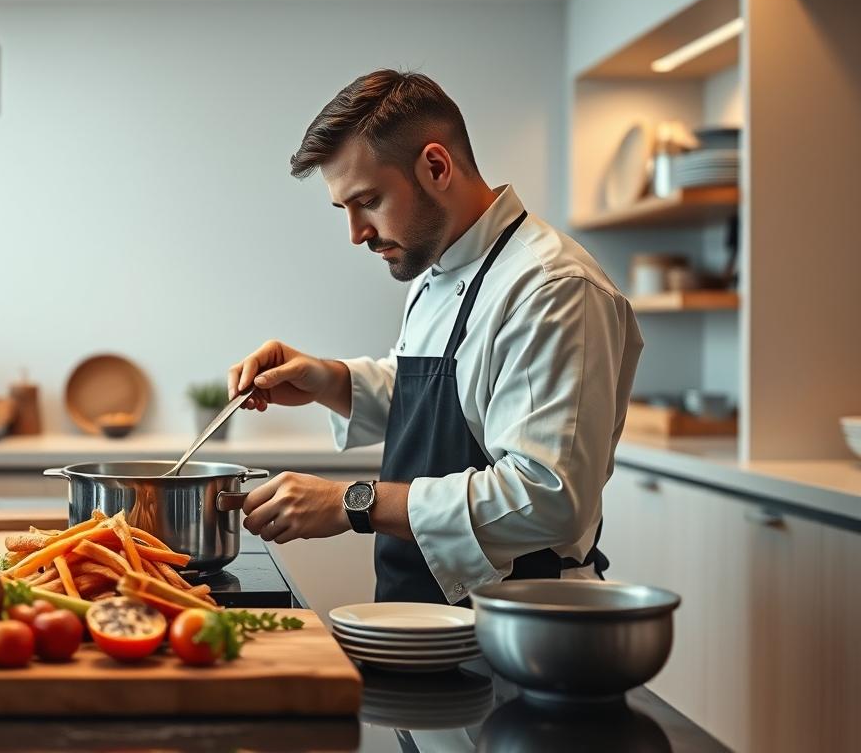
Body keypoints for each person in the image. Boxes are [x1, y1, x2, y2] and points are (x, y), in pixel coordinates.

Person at [228, 70, 643, 605]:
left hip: (522, 623)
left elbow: (549, 498)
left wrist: (353, 502)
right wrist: (326, 379)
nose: (356, 233)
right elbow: (432, 397)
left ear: (436, 166)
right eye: (345, 210)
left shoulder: (553, 288)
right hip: (416, 611)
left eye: (369, 201)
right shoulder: (435, 268)